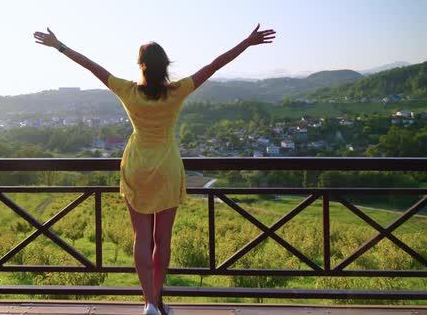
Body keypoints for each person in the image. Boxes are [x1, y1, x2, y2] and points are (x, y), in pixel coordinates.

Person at [33, 24, 276, 315]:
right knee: (163, 240)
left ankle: (149, 302)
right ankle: (157, 300)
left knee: (141, 238)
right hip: (168, 170)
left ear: (141, 66)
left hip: (137, 168)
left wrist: (59, 46)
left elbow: (91, 66)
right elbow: (214, 65)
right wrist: (246, 43)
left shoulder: (128, 91)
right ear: (166, 66)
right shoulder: (177, 91)